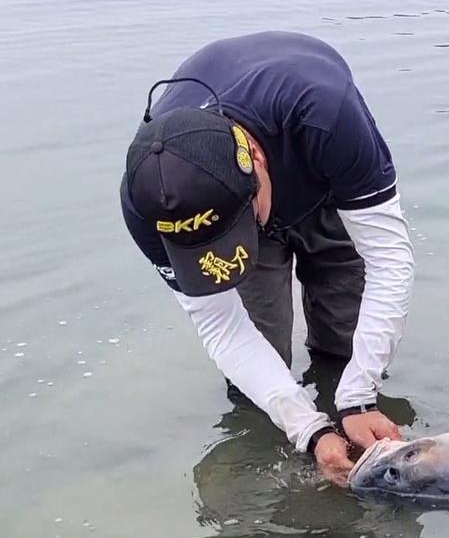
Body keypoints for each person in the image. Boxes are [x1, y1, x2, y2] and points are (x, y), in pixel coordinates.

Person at [119, 31, 416, 485]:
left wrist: (358, 395)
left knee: (347, 336)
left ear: (255, 157)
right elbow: (221, 325)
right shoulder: (148, 200)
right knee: (256, 371)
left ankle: (351, 397)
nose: (252, 237)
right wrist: (309, 430)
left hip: (318, 173)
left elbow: (389, 260)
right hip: (237, 192)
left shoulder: (327, 114)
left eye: (242, 225)